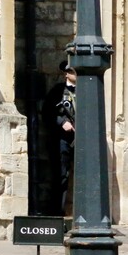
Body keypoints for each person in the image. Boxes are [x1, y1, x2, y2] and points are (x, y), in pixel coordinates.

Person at [42, 61, 76, 215]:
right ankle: (57, 213)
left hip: (80, 138)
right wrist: (62, 122)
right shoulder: (58, 91)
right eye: (73, 72)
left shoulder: (85, 90)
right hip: (63, 139)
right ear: (66, 74)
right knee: (61, 176)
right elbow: (47, 113)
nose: (76, 75)